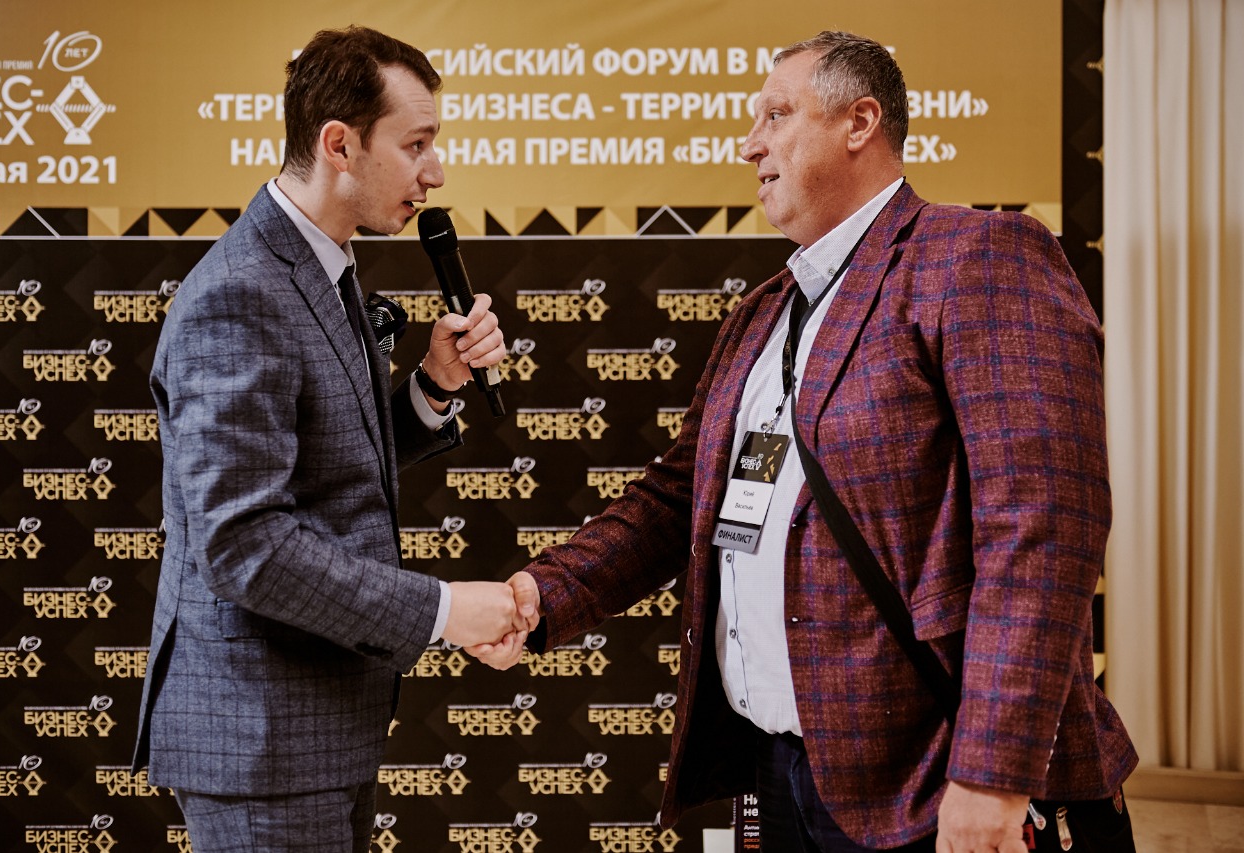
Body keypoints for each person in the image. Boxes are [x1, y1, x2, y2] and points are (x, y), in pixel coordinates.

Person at [472, 31, 1137, 853]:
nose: (749, 144)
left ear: (860, 122)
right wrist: (540, 595)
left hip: (937, 781)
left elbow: (1042, 528)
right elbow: (676, 499)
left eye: (776, 115)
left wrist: (993, 774)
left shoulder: (977, 258)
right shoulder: (763, 312)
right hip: (781, 771)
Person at [132, 26, 535, 851]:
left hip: (312, 730)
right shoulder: (240, 294)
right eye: (416, 145)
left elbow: (321, 464)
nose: (435, 172)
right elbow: (243, 543)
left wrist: (430, 388)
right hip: (261, 740)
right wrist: (443, 610)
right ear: (339, 144)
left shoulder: (321, 263)